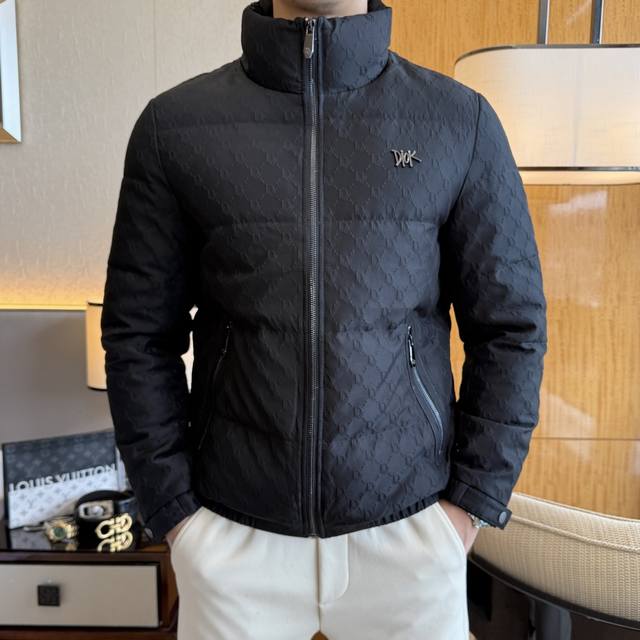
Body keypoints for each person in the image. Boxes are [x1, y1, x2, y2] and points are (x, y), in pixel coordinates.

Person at [100, 0, 548, 638]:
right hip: (232, 539)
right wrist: (177, 516)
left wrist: (468, 508)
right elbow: (138, 336)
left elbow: (510, 328)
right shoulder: (175, 126)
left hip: (411, 537)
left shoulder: (458, 121)